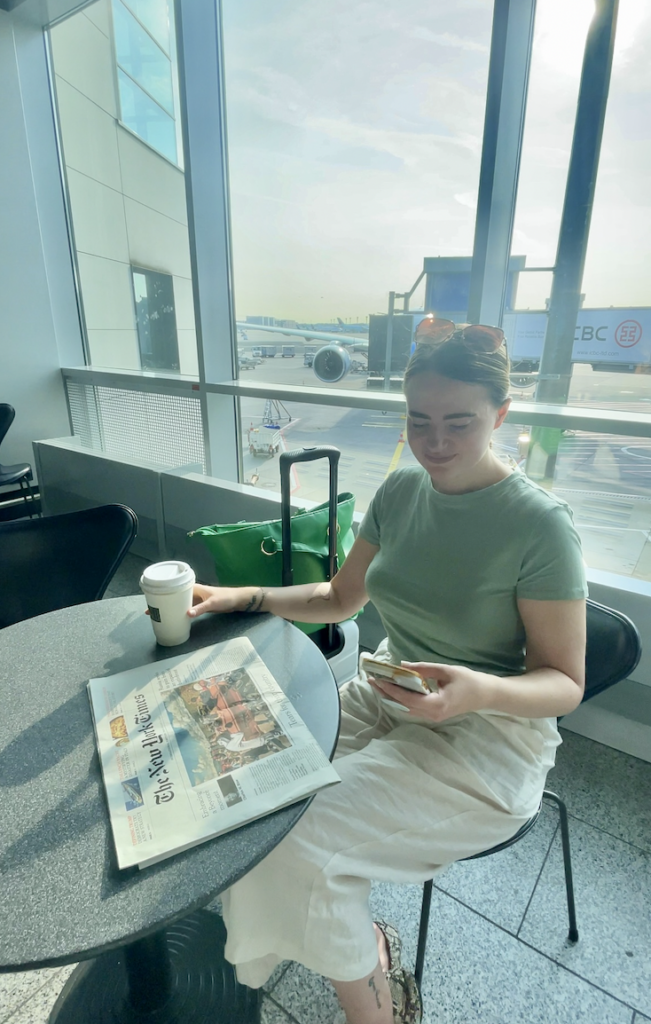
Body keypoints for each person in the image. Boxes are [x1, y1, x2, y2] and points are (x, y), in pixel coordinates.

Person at [187, 317, 587, 1024]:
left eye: (458, 423)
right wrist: (238, 596)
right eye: (419, 420)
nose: (434, 443)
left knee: (295, 848)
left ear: (500, 414)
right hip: (389, 690)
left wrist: (477, 691)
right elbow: (340, 596)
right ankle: (353, 940)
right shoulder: (402, 492)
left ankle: (374, 992)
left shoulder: (538, 527)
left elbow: (563, 683)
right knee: (239, 784)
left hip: (486, 738)